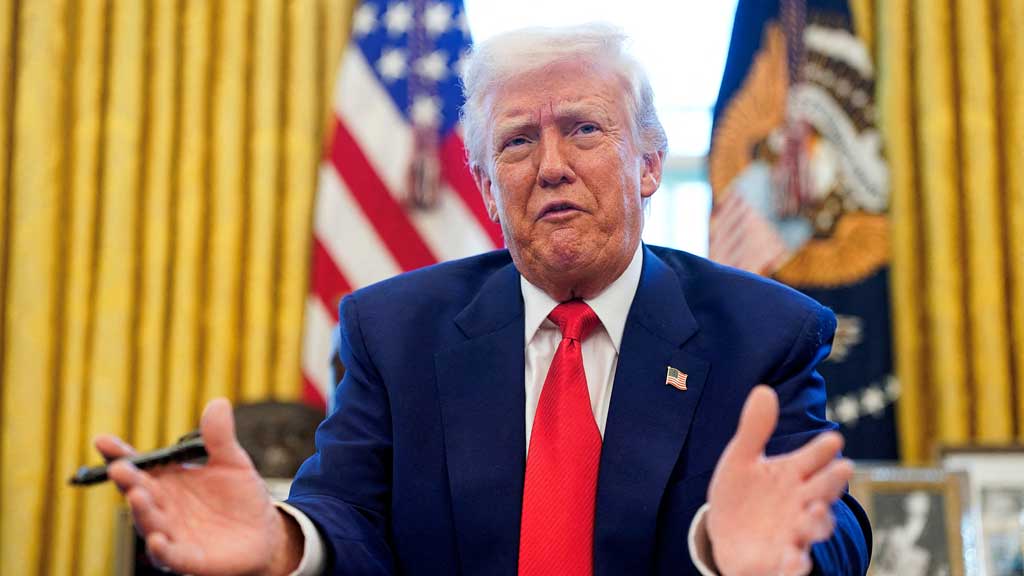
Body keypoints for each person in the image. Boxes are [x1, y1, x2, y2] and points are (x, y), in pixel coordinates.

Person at [97, 23, 870, 576]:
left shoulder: (763, 332)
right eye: (517, 141)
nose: (553, 165)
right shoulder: (393, 331)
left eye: (585, 129)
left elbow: (828, 522)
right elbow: (349, 514)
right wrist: (280, 546)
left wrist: (765, 560)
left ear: (648, 165)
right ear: (490, 192)